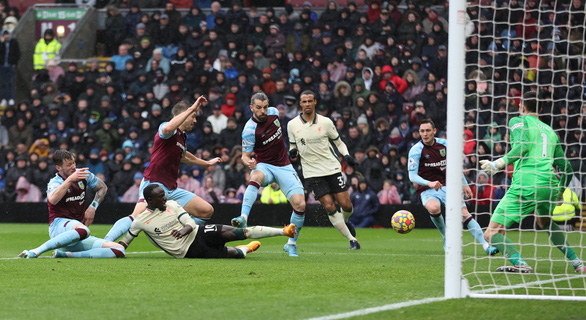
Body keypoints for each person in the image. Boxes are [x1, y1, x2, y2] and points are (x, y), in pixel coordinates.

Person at [480, 92, 585, 273]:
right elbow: (566, 167)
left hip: (526, 183)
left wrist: (497, 164)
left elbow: (523, 146)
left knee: (490, 233)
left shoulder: (518, 121)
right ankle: (578, 263)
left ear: (521, 107)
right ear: (541, 110)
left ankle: (521, 264)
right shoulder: (550, 132)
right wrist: (560, 192)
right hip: (549, 185)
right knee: (544, 222)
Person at [103, 97, 222, 243]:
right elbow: (168, 129)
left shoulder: (182, 136)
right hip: (153, 184)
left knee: (206, 211)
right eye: (193, 116)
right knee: (137, 215)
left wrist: (207, 163)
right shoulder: (166, 128)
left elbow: (185, 156)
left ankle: (180, 236)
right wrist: (192, 108)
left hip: (171, 189)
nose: (195, 120)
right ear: (183, 115)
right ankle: (106, 242)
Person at [118, 184, 297, 259]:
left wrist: (182, 231)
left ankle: (284, 231)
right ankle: (246, 249)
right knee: (235, 255)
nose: (165, 199)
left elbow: (189, 222)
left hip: (199, 233)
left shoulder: (172, 204)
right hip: (188, 251)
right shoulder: (140, 221)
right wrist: (112, 249)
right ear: (149, 200)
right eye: (160, 197)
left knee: (238, 232)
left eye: (164, 196)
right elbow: (125, 242)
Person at [230, 92, 306, 257]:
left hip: (284, 166)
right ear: (252, 108)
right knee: (255, 176)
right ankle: (243, 217)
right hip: (265, 165)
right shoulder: (249, 130)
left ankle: (291, 244)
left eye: (264, 107)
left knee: (300, 205)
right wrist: (248, 162)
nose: (263, 111)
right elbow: (244, 155)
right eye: (258, 108)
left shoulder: (274, 112)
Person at [408, 118, 498, 255]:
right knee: (434, 207)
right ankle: (446, 237)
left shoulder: (445, 145)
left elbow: (454, 165)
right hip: (427, 189)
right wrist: (429, 183)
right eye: (422, 131)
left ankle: (486, 246)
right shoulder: (416, 150)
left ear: (434, 131)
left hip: (448, 186)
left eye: (427, 130)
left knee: (464, 215)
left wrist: (465, 184)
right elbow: (412, 176)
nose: (425, 134)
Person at [287, 90, 360, 250]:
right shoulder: (292, 124)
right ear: (300, 103)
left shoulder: (326, 122)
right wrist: (293, 151)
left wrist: (346, 155)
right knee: (329, 206)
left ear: (315, 102)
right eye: (304, 101)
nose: (307, 104)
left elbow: (339, 142)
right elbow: (293, 145)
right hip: (312, 173)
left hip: (332, 168)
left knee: (346, 205)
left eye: (309, 101)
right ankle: (352, 239)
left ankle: (346, 221)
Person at [18, 150, 125, 259]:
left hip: (77, 235)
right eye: (69, 165)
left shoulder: (82, 175)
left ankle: (66, 255)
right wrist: (70, 180)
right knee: (84, 230)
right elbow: (52, 200)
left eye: (74, 163)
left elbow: (102, 187)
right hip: (59, 227)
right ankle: (36, 251)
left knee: (119, 250)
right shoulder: (55, 182)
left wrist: (92, 207)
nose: (73, 167)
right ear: (59, 168)